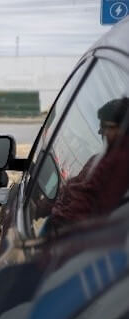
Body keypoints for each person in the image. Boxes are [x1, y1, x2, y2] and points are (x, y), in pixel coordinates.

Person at [50, 97, 129, 230]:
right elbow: (73, 190)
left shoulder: (115, 168)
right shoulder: (98, 160)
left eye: (105, 126)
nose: (100, 132)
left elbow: (80, 207)